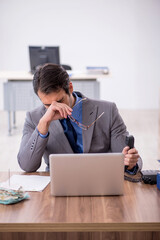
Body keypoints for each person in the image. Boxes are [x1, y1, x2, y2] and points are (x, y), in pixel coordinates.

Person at [17, 63, 142, 172]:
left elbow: (126, 157)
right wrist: (43, 124)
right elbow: (27, 166)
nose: (55, 108)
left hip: (101, 179)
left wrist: (130, 163)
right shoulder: (34, 118)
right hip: (59, 183)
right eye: (47, 105)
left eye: (60, 100)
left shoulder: (107, 110)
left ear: (70, 88)